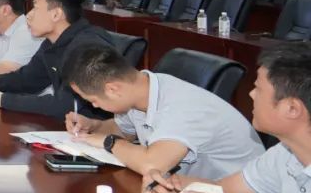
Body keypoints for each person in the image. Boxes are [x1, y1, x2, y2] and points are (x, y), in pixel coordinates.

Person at [141, 43, 311, 193]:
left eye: (258, 89)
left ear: (292, 108)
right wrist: (169, 183)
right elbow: (223, 191)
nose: (251, 95)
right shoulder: (284, 155)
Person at [63, 42, 264, 178]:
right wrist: (94, 126)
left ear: (113, 89)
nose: (94, 106)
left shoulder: (181, 106)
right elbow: (124, 131)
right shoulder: (140, 89)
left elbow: (152, 166)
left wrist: (109, 142)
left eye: (93, 101)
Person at [0, 0, 113, 118]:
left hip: (99, 131)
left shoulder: (87, 48)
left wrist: (0, 100)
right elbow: (26, 79)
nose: (29, 15)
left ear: (56, 14)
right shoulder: (51, 43)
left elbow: (65, 105)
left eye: (35, 8)